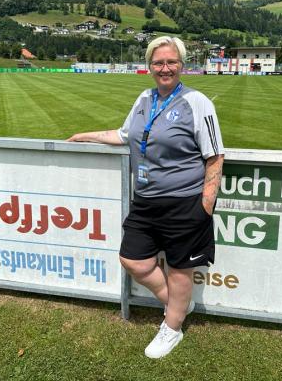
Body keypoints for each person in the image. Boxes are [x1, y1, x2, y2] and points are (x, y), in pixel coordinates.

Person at [67, 36, 224, 358]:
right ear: (149, 66)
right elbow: (124, 135)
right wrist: (87, 135)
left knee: (180, 268)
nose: (165, 68)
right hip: (146, 200)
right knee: (133, 260)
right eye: (158, 63)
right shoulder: (144, 98)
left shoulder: (197, 103)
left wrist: (206, 204)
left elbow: (215, 156)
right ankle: (178, 306)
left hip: (184, 201)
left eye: (171, 62)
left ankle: (172, 328)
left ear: (182, 65)